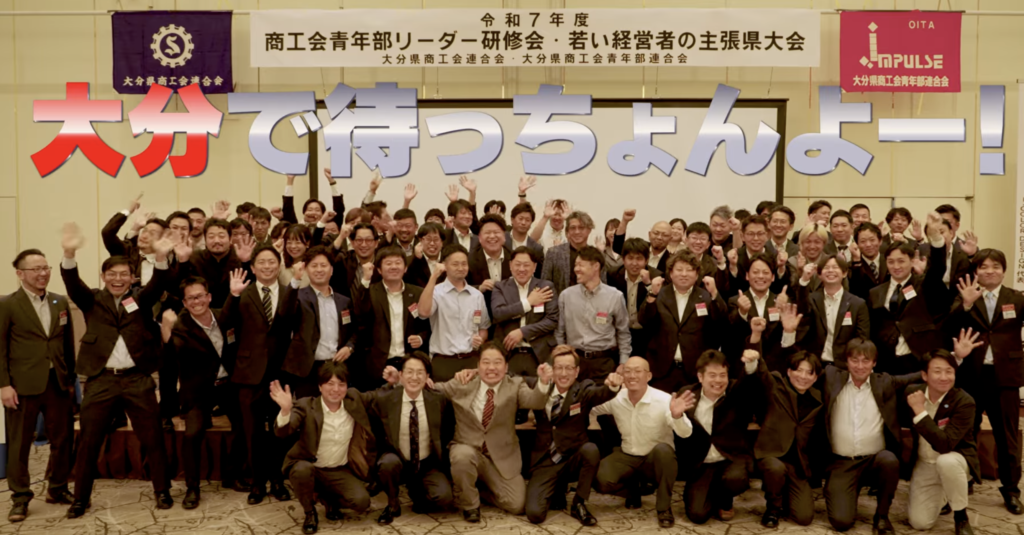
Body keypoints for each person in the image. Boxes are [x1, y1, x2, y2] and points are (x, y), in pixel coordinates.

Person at [59, 223, 176, 517]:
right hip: (101, 380)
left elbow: (158, 283)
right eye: (112, 274)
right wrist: (69, 253)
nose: (118, 279)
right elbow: (72, 282)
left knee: (153, 438)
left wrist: (161, 257)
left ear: (131, 278)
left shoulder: (139, 299)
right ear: (103, 277)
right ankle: (80, 499)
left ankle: (162, 490)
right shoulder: (91, 300)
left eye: (124, 274)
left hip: (137, 380)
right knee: (88, 441)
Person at [430, 343, 552, 522]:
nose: (491, 368)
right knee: (462, 456)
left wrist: (543, 382)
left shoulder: (515, 385)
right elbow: (435, 389)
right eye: (486, 362)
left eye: (497, 362)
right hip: (468, 449)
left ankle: (475, 488)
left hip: (501, 458)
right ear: (478, 365)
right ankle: (470, 504)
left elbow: (535, 401)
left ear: (506, 367)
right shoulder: (463, 382)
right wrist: (414, 380)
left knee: (517, 504)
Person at [0, 249, 77, 522]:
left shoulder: (59, 301)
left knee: (62, 439)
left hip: (57, 382)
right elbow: (0, 348)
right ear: (20, 273)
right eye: (36, 269)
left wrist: (70, 380)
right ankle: (20, 497)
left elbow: (67, 344)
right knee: (19, 444)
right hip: (21, 386)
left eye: (46, 268)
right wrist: (4, 385)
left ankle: (58, 487)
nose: (43, 273)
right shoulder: (7, 304)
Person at [948, 248, 1024, 514]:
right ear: (976, 271)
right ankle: (964, 480)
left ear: (1004, 270)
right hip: (971, 375)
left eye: (995, 266)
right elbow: (950, 326)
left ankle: (1011, 490)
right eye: (983, 267)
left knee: (1007, 436)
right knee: (966, 432)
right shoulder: (966, 296)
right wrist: (967, 304)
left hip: (1005, 377)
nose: (989, 271)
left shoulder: (1016, 298)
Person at [220, 247, 296, 505]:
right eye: (261, 262)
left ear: (279, 265)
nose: (267, 266)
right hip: (248, 374)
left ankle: (277, 480)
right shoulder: (243, 292)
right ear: (252, 267)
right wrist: (233, 295)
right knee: (252, 433)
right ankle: (257, 483)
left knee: (279, 430)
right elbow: (224, 323)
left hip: (280, 373)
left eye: (272, 261)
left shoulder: (289, 292)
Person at [821, 338, 921, 534]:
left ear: (874, 363)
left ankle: (882, 515)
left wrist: (957, 358)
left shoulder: (884, 382)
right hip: (842, 463)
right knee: (841, 522)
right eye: (855, 360)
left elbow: (918, 376)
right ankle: (846, 490)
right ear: (846, 361)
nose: (860, 366)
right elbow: (801, 371)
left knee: (889, 460)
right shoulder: (832, 377)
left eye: (866, 360)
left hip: (874, 461)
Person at [167, 274, 246, 509]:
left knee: (245, 424)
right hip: (198, 390)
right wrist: (166, 333)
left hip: (227, 385)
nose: (196, 302)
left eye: (200, 296)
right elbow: (171, 355)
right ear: (184, 303)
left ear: (209, 297)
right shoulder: (180, 327)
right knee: (192, 434)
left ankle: (232, 475)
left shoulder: (223, 316)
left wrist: (234, 293)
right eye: (190, 298)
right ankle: (192, 487)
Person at [271, 362, 376, 534]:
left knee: (362, 502)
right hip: (309, 465)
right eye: (330, 383)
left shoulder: (354, 399)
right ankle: (310, 512)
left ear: (347, 387)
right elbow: (283, 432)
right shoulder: (306, 405)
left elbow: (378, 396)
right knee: (302, 470)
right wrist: (285, 411)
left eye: (341, 384)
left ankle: (328, 499)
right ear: (320, 386)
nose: (336, 389)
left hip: (338, 469)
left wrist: (395, 382)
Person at [593, 357, 695, 528]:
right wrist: (606, 389)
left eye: (638, 371)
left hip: (654, 459)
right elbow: (591, 408)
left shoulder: (663, 400)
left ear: (648, 376)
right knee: (598, 478)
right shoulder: (616, 397)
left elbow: (685, 433)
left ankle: (664, 508)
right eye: (628, 371)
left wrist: (677, 415)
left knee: (664, 451)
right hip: (627, 455)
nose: (632, 375)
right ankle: (632, 492)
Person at [525, 346, 620, 525]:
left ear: (576, 371)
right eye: (559, 367)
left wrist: (613, 386)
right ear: (552, 370)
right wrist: (476, 372)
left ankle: (579, 503)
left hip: (572, 458)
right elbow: (510, 379)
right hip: (545, 461)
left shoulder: (584, 389)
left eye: (569, 368)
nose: (563, 373)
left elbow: (601, 393)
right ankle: (557, 489)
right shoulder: (540, 385)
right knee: (534, 514)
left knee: (590, 449)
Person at [742, 338, 823, 528]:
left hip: (797, 464)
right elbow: (761, 374)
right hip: (771, 456)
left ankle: (785, 494)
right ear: (789, 371)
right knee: (775, 469)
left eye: (809, 372)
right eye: (799, 370)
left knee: (804, 518)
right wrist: (754, 354)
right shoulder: (776, 386)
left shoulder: (818, 399)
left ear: (815, 377)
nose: (803, 376)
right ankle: (773, 508)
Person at [905, 347, 981, 535]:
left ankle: (960, 516)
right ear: (925, 375)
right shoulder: (913, 393)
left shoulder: (964, 401)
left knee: (946, 462)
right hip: (925, 463)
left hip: (955, 459)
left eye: (949, 371)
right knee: (920, 523)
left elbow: (944, 445)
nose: (944, 377)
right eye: (937, 371)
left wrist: (919, 411)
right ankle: (945, 494)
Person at [678, 350, 757, 524]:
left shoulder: (735, 390)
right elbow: (681, 430)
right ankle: (711, 492)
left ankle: (725, 499)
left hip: (731, 459)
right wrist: (676, 415)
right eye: (712, 375)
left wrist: (751, 364)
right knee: (697, 515)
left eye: (723, 375)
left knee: (735, 480)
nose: (718, 380)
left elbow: (749, 382)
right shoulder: (688, 394)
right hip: (702, 463)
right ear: (700, 377)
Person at [376, 353, 455, 524]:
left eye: (420, 373)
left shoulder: (438, 400)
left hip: (427, 462)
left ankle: (418, 494)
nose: (414, 377)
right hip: (398, 459)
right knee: (387, 463)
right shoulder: (386, 399)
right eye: (409, 372)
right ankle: (392, 502)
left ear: (427, 377)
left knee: (444, 497)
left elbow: (447, 431)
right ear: (401, 375)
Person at [868, 213, 948, 375]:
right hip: (886, 363)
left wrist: (935, 239)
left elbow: (937, 269)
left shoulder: (923, 284)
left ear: (912, 261)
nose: (896, 266)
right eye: (891, 262)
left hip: (917, 359)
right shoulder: (875, 292)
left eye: (901, 261)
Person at [641, 250, 726, 391]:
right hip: (662, 370)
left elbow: (720, 321)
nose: (684, 274)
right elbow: (644, 321)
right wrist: (652, 295)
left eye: (689, 270)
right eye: (679, 269)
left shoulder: (705, 296)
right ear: (671, 273)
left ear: (697, 274)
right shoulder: (659, 294)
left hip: (694, 371)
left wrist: (714, 293)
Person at [281, 246, 356, 399]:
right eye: (314, 266)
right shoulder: (298, 297)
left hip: (336, 367)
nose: (319, 270)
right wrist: (295, 280)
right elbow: (285, 314)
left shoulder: (344, 301)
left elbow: (354, 331)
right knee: (307, 411)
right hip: (307, 369)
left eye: (323, 265)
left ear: (331, 270)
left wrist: (349, 347)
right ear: (306, 270)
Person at [352, 245, 430, 390]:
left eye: (398, 263)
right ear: (379, 270)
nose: (394, 267)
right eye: (388, 263)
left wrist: (420, 338)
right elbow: (360, 315)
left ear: (405, 268)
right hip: (377, 364)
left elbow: (427, 326)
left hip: (409, 362)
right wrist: (365, 280)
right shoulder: (370, 292)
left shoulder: (418, 293)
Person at [555, 246, 631, 382]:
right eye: (575, 265)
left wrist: (623, 362)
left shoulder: (615, 296)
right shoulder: (566, 296)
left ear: (596, 266)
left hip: (604, 362)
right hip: (575, 362)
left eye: (580, 265)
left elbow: (623, 332)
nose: (576, 269)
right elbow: (560, 332)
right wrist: (562, 359)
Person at [418, 244, 490, 381]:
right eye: (455, 264)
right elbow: (423, 312)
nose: (461, 268)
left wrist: (480, 339)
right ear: (444, 265)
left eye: (464, 264)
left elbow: (483, 327)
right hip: (443, 361)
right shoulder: (436, 292)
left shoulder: (476, 295)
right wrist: (434, 276)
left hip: (471, 360)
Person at [786, 255, 870, 369]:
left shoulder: (857, 304)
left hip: (844, 366)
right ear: (819, 275)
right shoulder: (811, 299)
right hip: (814, 365)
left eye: (835, 267)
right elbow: (803, 312)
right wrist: (804, 280)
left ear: (844, 273)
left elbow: (862, 339)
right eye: (826, 267)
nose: (830, 270)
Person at [490, 246, 559, 377]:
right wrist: (528, 303)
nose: (521, 269)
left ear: (534, 267)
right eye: (517, 264)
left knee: (540, 389)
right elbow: (498, 313)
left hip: (539, 354)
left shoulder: (545, 287)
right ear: (510, 265)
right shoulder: (500, 287)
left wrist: (523, 332)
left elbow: (552, 320)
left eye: (526, 265)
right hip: (508, 354)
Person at [726, 253, 789, 372]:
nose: (760, 276)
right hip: (743, 368)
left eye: (765, 273)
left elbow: (786, 339)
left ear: (773, 277)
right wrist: (742, 312)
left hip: (774, 369)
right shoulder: (735, 301)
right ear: (747, 275)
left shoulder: (781, 301)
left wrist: (783, 313)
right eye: (755, 272)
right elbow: (731, 336)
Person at [608, 238, 662, 358]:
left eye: (639, 259)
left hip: (646, 333)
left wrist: (649, 285)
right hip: (620, 332)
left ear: (646, 260)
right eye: (630, 258)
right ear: (623, 259)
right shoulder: (613, 275)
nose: (634, 263)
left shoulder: (656, 276)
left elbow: (657, 309)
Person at [542, 210, 605, 294]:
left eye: (581, 228)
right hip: (560, 301)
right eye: (573, 228)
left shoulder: (597, 255)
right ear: (568, 231)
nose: (577, 232)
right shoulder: (553, 253)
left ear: (589, 230)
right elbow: (545, 285)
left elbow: (603, 286)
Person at [466, 214, 511, 314]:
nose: (492, 236)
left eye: (496, 232)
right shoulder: (469, 260)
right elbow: (460, 288)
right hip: (479, 313)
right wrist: (479, 288)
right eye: (487, 233)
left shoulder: (514, 257)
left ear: (504, 236)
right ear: (479, 237)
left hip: (509, 313)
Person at [849, 222, 888, 300]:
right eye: (863, 241)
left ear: (880, 241)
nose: (868, 245)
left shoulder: (889, 261)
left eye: (872, 240)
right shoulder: (852, 266)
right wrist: (856, 260)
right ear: (857, 244)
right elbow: (854, 291)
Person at [506, 202, 544, 277]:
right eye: (520, 219)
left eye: (527, 220)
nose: (523, 223)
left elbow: (539, 276)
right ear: (512, 220)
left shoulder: (536, 248)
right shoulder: (501, 240)